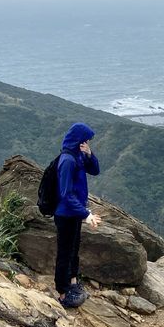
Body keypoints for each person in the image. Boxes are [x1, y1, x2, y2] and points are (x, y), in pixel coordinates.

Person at [52, 122, 102, 308]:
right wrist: (86, 214)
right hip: (65, 214)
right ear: (78, 140)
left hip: (75, 212)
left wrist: (89, 154)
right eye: (85, 141)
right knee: (64, 253)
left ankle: (73, 283)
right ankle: (63, 293)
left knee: (74, 249)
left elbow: (95, 171)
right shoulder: (67, 160)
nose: (87, 143)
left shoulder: (78, 156)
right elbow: (65, 194)